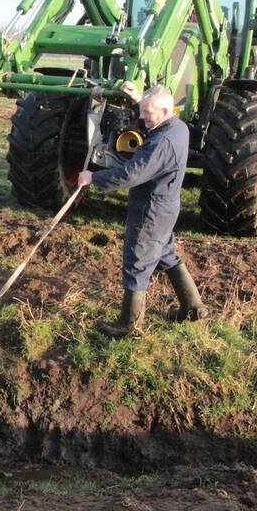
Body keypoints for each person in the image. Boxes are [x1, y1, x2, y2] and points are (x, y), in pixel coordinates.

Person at [76, 83, 207, 337]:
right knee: (166, 253)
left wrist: (94, 178)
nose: (143, 117)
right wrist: (139, 100)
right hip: (166, 207)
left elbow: (132, 173)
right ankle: (193, 307)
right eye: (143, 111)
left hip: (151, 210)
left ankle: (128, 326)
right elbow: (152, 114)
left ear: (166, 109)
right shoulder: (177, 127)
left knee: (137, 261)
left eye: (148, 113)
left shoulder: (162, 142)